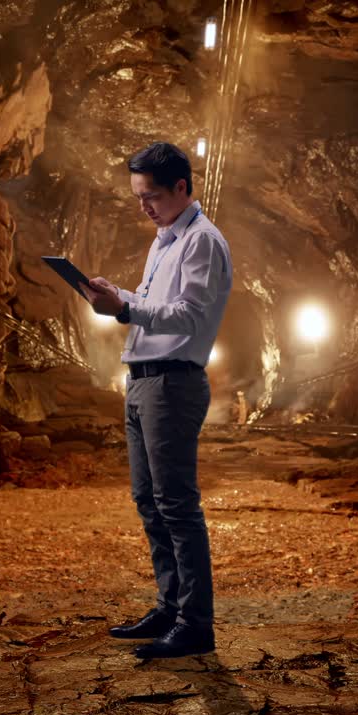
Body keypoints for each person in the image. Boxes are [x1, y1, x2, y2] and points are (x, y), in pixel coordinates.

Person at [84, 142, 233, 659]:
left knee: (176, 505)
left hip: (173, 383)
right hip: (143, 378)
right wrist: (121, 295)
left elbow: (189, 316)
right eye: (138, 197)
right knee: (150, 502)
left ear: (182, 189)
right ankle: (171, 607)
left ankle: (196, 623)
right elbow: (156, 305)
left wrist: (125, 312)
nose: (143, 206)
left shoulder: (202, 243)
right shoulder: (164, 241)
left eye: (150, 196)